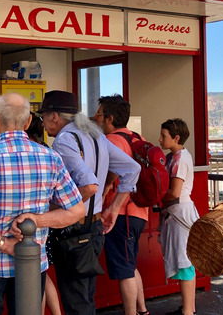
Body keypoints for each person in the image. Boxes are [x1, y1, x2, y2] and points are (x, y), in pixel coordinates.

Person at [0, 93, 86, 315]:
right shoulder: (50, 158)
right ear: (28, 122)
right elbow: (77, 210)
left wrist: (6, 245)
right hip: (32, 264)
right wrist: (38, 220)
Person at [38, 90, 141, 315]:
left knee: (76, 301)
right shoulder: (96, 136)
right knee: (86, 297)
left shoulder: (65, 140)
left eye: (43, 117)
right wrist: (113, 208)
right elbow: (133, 169)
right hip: (94, 227)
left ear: (54, 116)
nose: (43, 123)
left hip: (73, 230)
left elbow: (88, 186)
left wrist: (52, 210)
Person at [94, 95, 149, 315]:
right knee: (130, 264)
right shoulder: (136, 137)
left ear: (110, 118)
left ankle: (130, 313)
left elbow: (113, 174)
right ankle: (142, 310)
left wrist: (105, 190)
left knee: (124, 269)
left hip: (120, 214)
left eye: (99, 114)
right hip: (138, 212)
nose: (96, 118)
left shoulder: (112, 141)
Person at [158, 118, 199, 315]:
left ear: (176, 138)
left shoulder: (179, 159)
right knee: (184, 261)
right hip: (177, 213)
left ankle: (188, 311)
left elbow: (174, 192)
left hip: (178, 213)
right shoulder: (175, 157)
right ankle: (188, 308)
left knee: (184, 262)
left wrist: (156, 198)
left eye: (164, 136)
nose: (160, 139)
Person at [25, 112, 62, 315]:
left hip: (32, 223)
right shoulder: (47, 151)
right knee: (42, 273)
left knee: (36, 279)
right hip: (47, 221)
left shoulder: (26, 153)